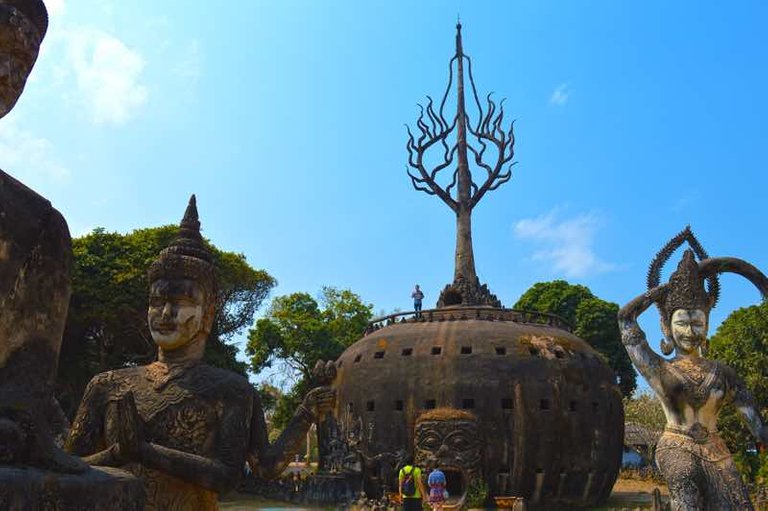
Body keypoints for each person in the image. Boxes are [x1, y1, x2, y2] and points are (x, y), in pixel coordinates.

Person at [67, 196, 334, 510]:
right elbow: (70, 469)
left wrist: (304, 415)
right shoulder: (107, 384)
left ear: (208, 313)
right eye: (157, 300)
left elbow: (246, 472)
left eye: (181, 301)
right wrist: (115, 454)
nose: (165, 312)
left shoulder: (232, 390)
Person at [618, 228, 768, 511]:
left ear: (708, 324)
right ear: (667, 327)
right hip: (676, 445)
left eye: (697, 323)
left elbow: (757, 426)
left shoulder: (724, 373)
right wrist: (665, 291)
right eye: (682, 323)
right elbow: (626, 319)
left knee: (740, 505)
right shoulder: (658, 368)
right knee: (688, 495)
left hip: (716, 449)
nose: (690, 331)